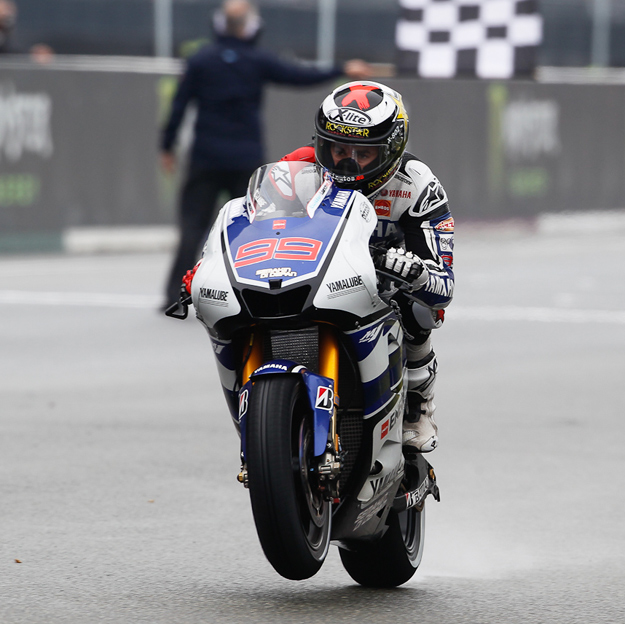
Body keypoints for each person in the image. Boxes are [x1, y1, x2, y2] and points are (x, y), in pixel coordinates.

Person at [160, 0, 372, 309]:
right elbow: (298, 75)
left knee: (192, 228)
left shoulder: (200, 59)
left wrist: (167, 147)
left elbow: (179, 106)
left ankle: (174, 296)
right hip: (245, 159)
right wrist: (342, 69)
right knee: (253, 229)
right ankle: (252, 295)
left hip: (205, 158)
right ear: (249, 26)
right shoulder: (257, 59)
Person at [282, 81, 454, 453]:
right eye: (338, 149)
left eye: (363, 153)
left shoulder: (418, 184)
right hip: (314, 273)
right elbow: (251, 222)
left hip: (383, 287)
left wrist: (414, 272)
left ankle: (417, 404)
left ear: (391, 150)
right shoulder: (296, 167)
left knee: (422, 310)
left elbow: (444, 286)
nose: (347, 163)